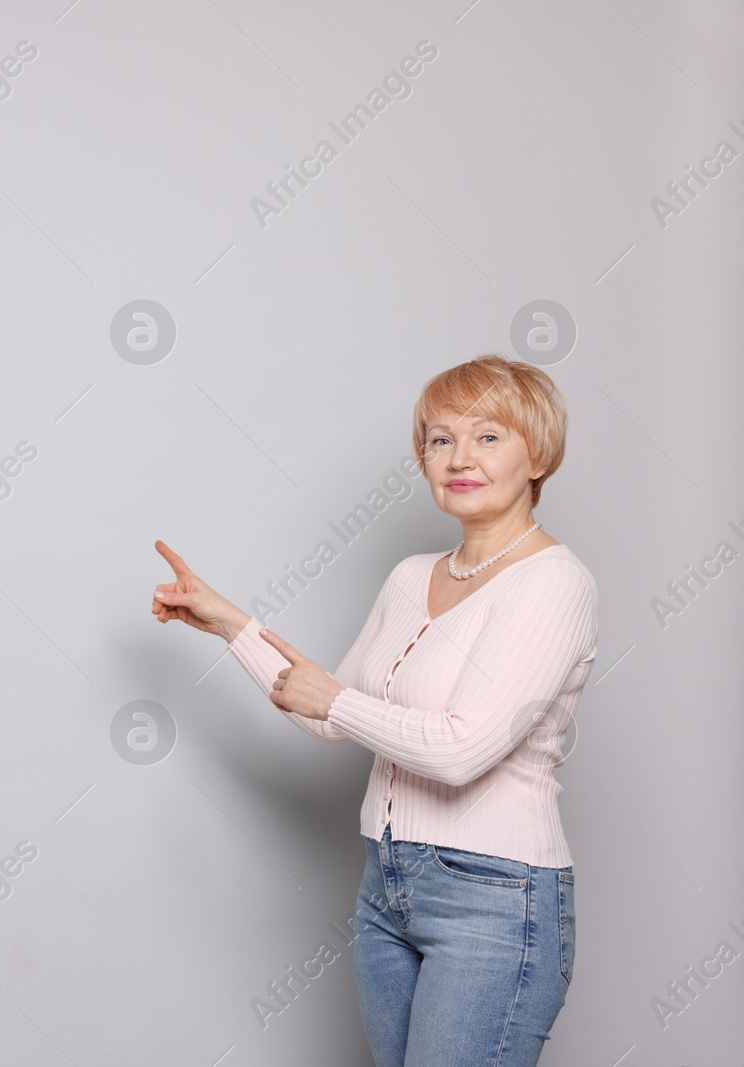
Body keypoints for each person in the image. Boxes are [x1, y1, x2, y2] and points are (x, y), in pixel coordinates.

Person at [151, 354, 596, 1067]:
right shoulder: (411, 576)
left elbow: (460, 750)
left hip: (495, 897)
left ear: (537, 453)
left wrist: (338, 698)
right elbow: (328, 716)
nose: (458, 457)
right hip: (387, 888)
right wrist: (232, 624)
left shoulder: (554, 584)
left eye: (488, 436)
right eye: (439, 438)